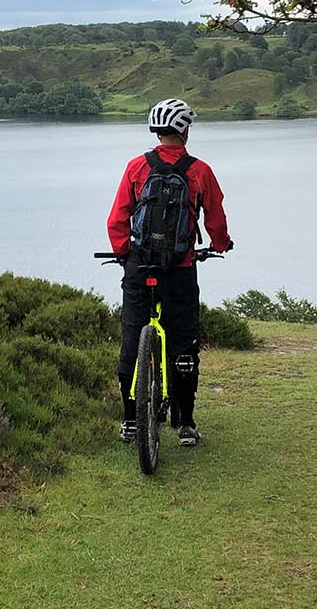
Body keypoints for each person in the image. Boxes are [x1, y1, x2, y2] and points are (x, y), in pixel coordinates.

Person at [107, 98, 230, 447]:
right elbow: (216, 219)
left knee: (132, 337)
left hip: (139, 266)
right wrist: (220, 244)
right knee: (185, 342)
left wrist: (124, 253)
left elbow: (117, 219)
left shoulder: (136, 167)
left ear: (157, 132)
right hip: (180, 268)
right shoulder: (199, 170)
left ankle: (131, 420)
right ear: (185, 131)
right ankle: (187, 423)